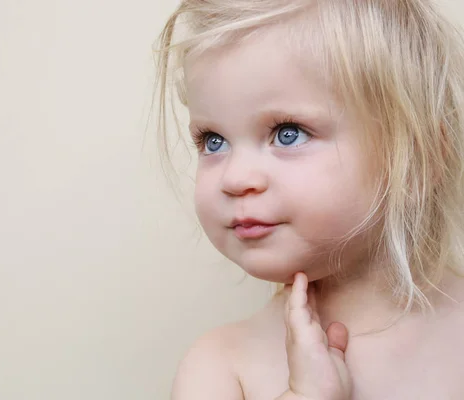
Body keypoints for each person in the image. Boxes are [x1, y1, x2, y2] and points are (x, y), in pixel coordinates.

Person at [152, 1, 464, 399]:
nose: (234, 177)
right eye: (213, 141)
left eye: (288, 133)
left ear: (419, 160)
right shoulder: (221, 368)